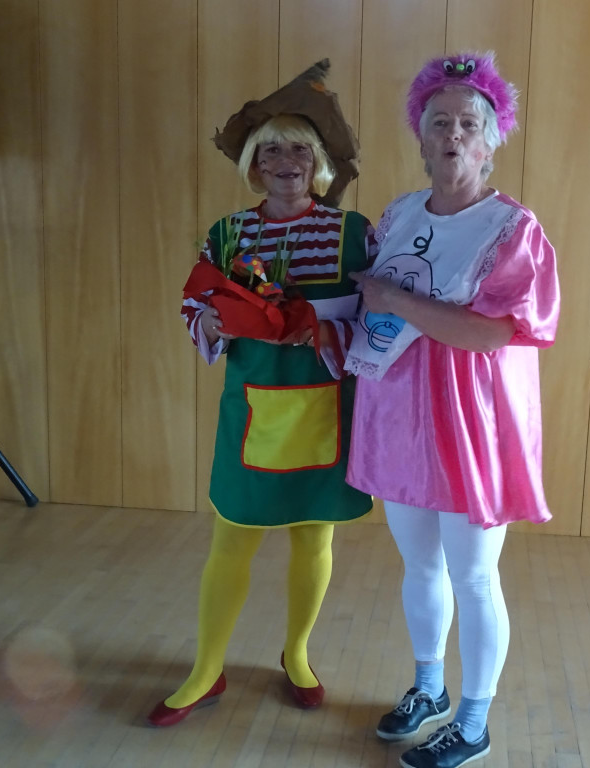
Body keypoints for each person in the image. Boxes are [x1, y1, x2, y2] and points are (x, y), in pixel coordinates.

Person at [344, 52, 560, 768]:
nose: (454, 134)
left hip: (472, 424)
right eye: (440, 121)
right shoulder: (399, 214)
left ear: (492, 141)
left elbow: (491, 334)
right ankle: (430, 687)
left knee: (473, 575)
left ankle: (472, 722)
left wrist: (395, 299)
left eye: (469, 123)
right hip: (398, 412)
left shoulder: (513, 229)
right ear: (420, 135)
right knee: (419, 565)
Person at [147, 60, 374, 728]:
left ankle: (297, 653)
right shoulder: (227, 234)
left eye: (299, 149)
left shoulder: (354, 233)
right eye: (270, 151)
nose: (285, 162)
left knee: (314, 540)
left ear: (317, 163)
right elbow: (195, 303)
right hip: (249, 407)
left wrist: (326, 329)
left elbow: (381, 317)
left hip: (326, 405)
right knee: (231, 540)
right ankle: (206, 669)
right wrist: (209, 323)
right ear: (253, 164)